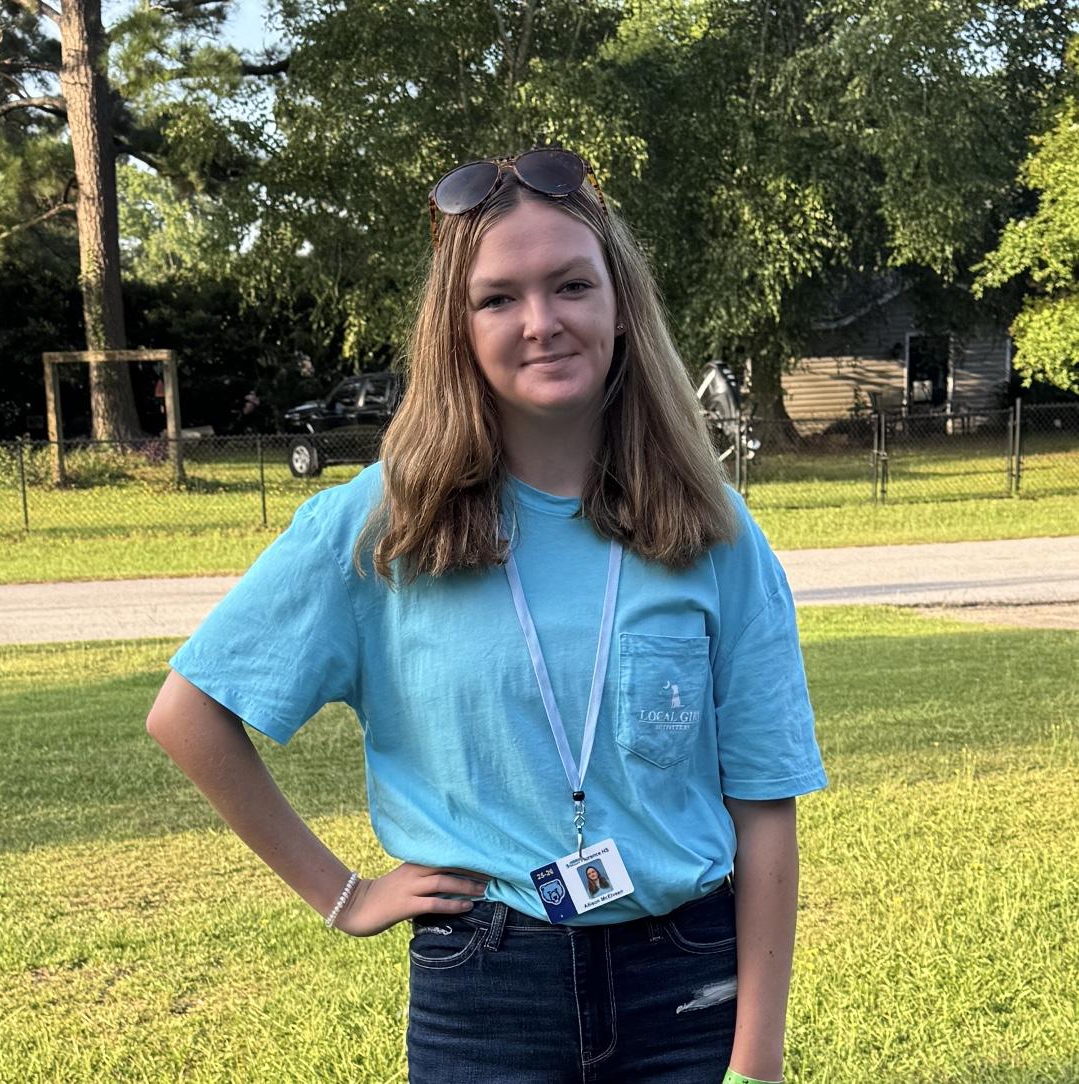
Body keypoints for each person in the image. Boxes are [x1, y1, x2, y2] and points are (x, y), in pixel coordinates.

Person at [147, 147, 827, 1084]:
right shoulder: (383, 526)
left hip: (688, 987)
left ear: (620, 305)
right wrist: (343, 895)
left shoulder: (714, 529)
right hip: (486, 993)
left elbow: (764, 802)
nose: (542, 322)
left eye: (572, 285)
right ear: (457, 329)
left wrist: (757, 1060)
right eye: (499, 298)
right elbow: (188, 714)